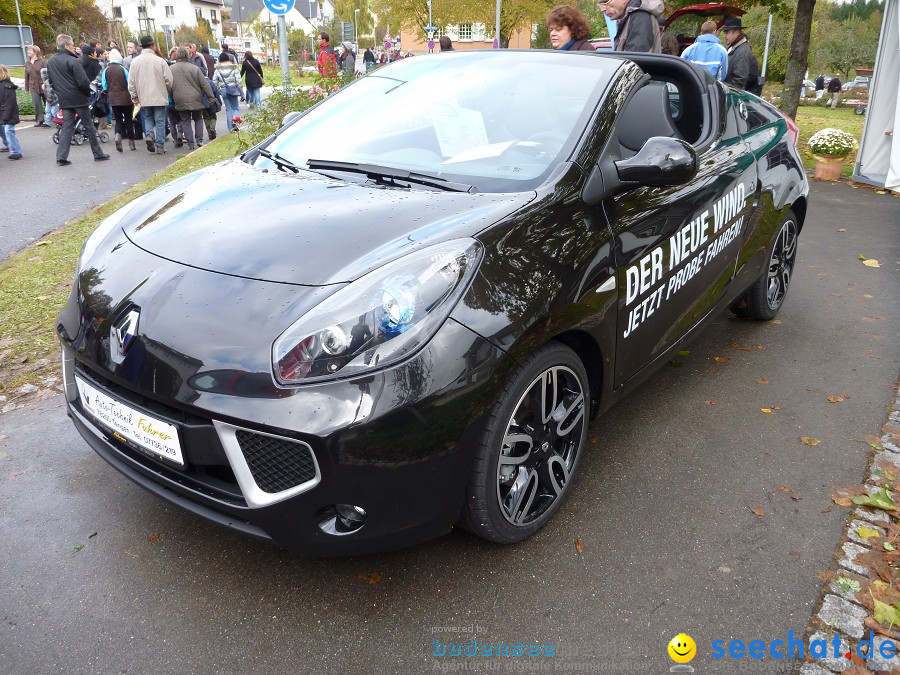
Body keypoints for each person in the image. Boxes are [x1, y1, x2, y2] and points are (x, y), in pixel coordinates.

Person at [46, 34, 110, 165]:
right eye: (71, 45)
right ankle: (98, 153)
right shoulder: (73, 61)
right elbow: (83, 81)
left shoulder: (51, 61)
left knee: (67, 127)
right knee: (89, 125)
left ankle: (61, 157)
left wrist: (60, 92)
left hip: (64, 98)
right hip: (78, 97)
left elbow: (51, 81)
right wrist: (87, 93)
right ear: (66, 46)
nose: (73, 48)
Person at [127, 35, 173, 154]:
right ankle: (160, 146)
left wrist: (134, 96)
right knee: (160, 120)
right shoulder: (160, 61)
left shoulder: (135, 62)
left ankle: (149, 135)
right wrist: (166, 90)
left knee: (147, 117)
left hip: (143, 96)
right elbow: (169, 79)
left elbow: (131, 81)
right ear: (152, 45)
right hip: (159, 95)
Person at [170, 46, 214, 150]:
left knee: (185, 121)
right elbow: (204, 84)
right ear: (188, 55)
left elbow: (168, 84)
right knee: (198, 118)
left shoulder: (171, 69)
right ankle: (199, 140)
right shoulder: (195, 68)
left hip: (179, 98)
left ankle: (190, 143)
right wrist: (211, 97)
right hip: (196, 97)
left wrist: (172, 95)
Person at [101, 48, 135, 152]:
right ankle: (132, 143)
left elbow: (104, 85)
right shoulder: (123, 69)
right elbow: (129, 82)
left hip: (113, 98)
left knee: (118, 120)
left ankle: (117, 135)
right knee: (129, 120)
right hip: (126, 98)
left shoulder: (106, 70)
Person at [721, 17, 760, 93]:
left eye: (727, 32)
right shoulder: (734, 48)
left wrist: (728, 92)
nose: (724, 36)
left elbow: (740, 79)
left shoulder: (742, 51)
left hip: (735, 95)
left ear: (736, 32)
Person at [213, 52, 242, 132]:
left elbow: (214, 83)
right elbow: (239, 81)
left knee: (228, 109)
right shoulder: (234, 68)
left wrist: (219, 90)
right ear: (228, 59)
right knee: (235, 108)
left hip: (224, 90)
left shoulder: (217, 70)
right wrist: (241, 91)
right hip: (233, 90)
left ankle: (230, 129)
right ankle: (236, 124)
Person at [0, 65, 22, 159]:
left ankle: (16, 151)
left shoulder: (7, 86)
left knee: (8, 130)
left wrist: (5, 117)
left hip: (8, 113)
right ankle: (8, 145)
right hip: (3, 112)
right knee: (2, 130)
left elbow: (9, 103)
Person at [24, 45, 48, 126]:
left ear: (35, 52)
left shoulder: (43, 62)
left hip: (43, 86)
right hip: (33, 86)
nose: (28, 52)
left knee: (47, 103)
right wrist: (27, 88)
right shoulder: (27, 63)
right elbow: (26, 76)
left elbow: (47, 73)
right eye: (28, 50)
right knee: (36, 104)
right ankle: (39, 120)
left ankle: (50, 118)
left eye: (30, 50)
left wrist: (46, 84)